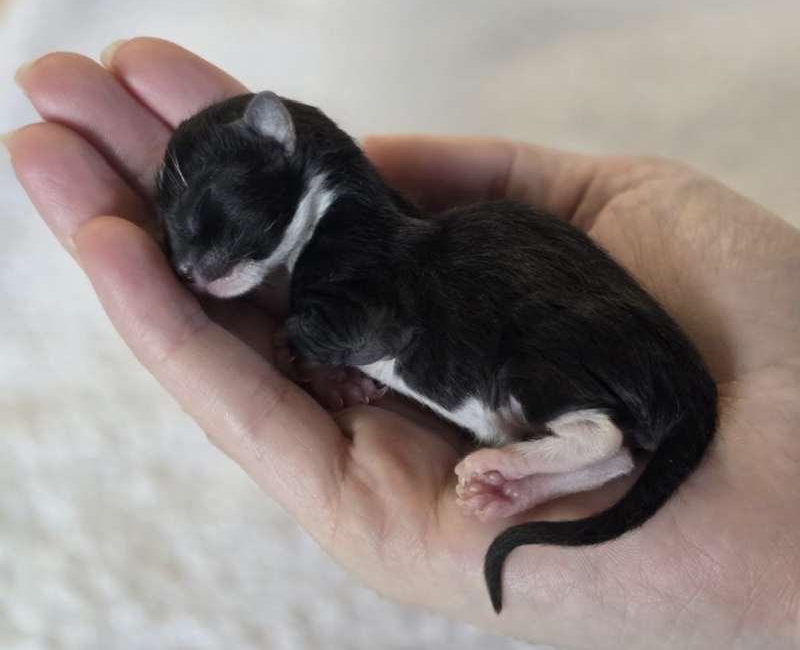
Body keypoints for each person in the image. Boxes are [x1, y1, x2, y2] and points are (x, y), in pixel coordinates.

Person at [5, 37, 800, 650]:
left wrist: (306, 341)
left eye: (211, 227)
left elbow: (360, 325)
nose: (191, 264)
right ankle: (583, 442)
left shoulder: (351, 249)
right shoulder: (356, 245)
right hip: (577, 371)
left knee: (532, 347)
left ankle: (591, 442)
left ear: (288, 148)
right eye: (181, 240)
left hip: (598, 374)